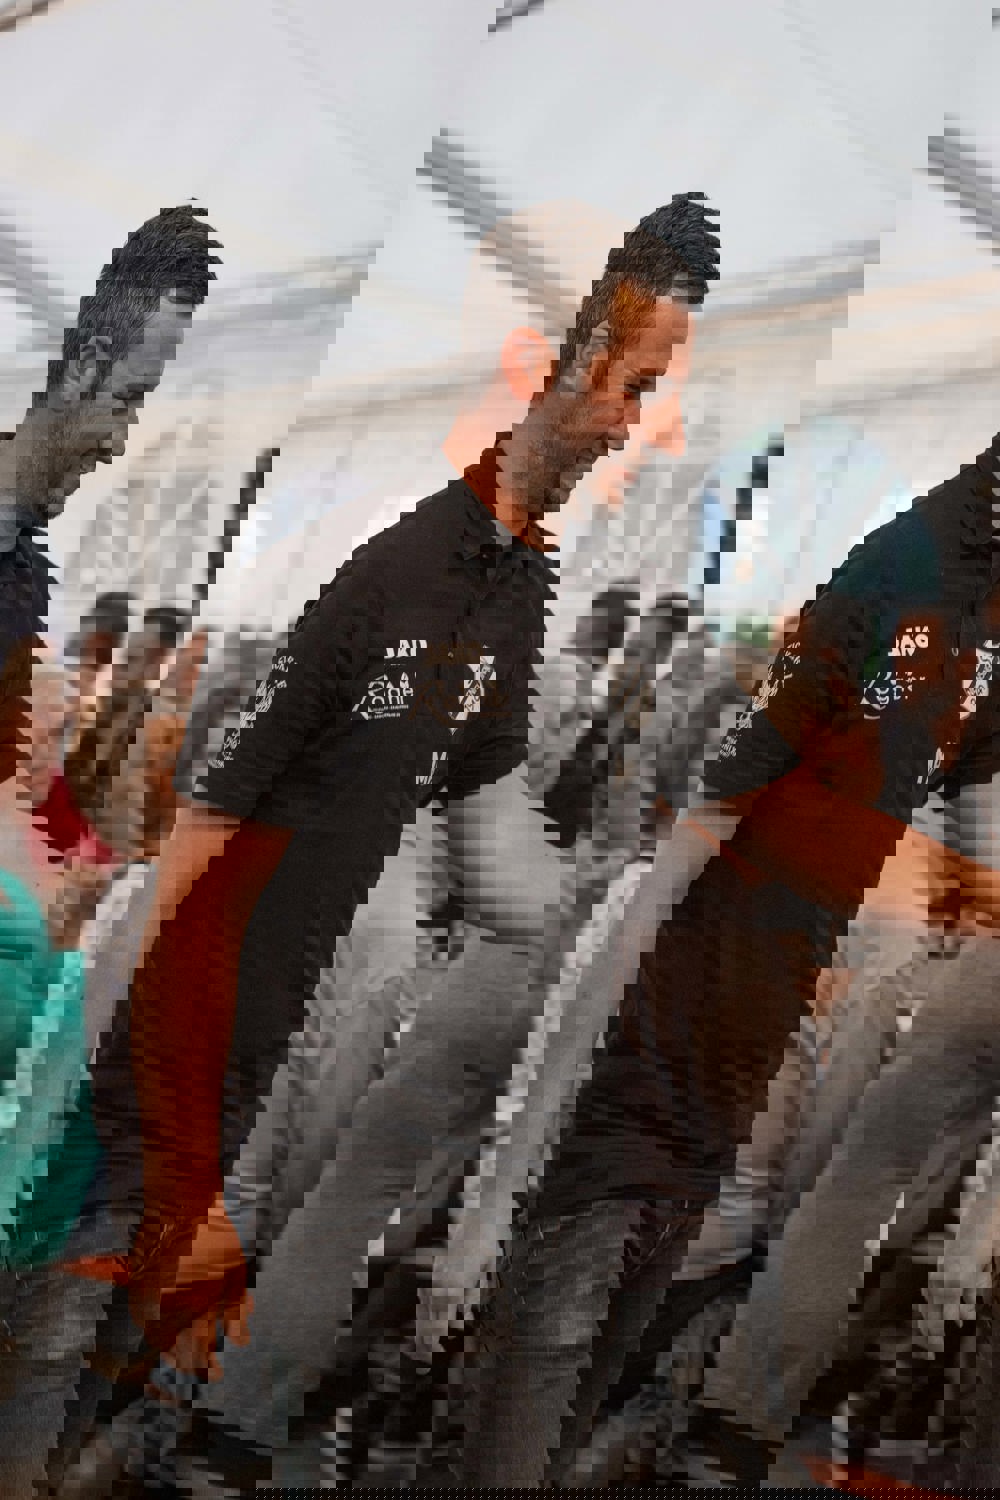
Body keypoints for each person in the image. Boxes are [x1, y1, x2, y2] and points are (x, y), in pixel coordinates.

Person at [86, 191, 722, 1379]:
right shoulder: (396, 572)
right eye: (635, 388)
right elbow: (210, 821)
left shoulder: (523, 590)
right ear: (578, 362)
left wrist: (602, 923)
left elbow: (492, 832)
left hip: (353, 979)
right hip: (222, 1010)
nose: (636, 426)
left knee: (264, 1218)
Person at [448, 427, 1000, 1484]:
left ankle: (620, 1426)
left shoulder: (949, 637)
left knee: (715, 1222)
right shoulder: (905, 583)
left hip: (809, 961)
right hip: (725, 940)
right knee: (624, 1226)